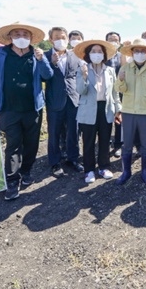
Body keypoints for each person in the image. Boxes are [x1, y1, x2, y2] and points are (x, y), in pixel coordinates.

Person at [0, 22, 53, 200]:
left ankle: (26, 171)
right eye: (17, 34)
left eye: (25, 34)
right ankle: (11, 180)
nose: (21, 37)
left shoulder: (36, 54)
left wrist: (42, 60)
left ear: (30, 38)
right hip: (9, 108)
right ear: (10, 37)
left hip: (32, 108)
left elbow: (47, 75)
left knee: (31, 143)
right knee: (13, 144)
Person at [115, 38, 146, 184]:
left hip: (145, 112)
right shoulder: (125, 68)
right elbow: (119, 89)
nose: (140, 53)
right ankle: (126, 172)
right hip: (129, 111)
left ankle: (144, 171)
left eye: (143, 51)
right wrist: (121, 80)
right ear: (132, 52)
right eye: (137, 51)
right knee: (127, 143)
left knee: (145, 144)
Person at [74, 40, 121, 183]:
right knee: (88, 141)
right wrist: (84, 76)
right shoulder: (83, 69)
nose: (96, 54)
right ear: (88, 55)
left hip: (105, 108)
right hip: (88, 109)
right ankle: (89, 170)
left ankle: (104, 167)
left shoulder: (110, 70)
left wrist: (118, 109)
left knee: (105, 140)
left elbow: (115, 92)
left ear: (104, 55)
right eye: (93, 51)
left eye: (99, 51)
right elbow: (81, 90)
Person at [44, 26, 84, 178]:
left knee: (73, 131)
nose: (61, 40)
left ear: (67, 39)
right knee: (54, 133)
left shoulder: (75, 55)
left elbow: (77, 75)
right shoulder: (45, 57)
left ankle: (73, 159)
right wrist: (52, 64)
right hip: (55, 100)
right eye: (57, 37)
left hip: (73, 99)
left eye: (63, 38)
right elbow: (43, 77)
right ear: (50, 40)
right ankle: (55, 162)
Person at [106, 31, 123, 156]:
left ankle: (118, 145)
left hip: (119, 91)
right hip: (105, 92)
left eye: (115, 40)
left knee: (119, 119)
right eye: (110, 40)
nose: (113, 42)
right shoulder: (102, 55)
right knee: (105, 119)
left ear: (119, 42)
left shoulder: (122, 56)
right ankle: (105, 144)